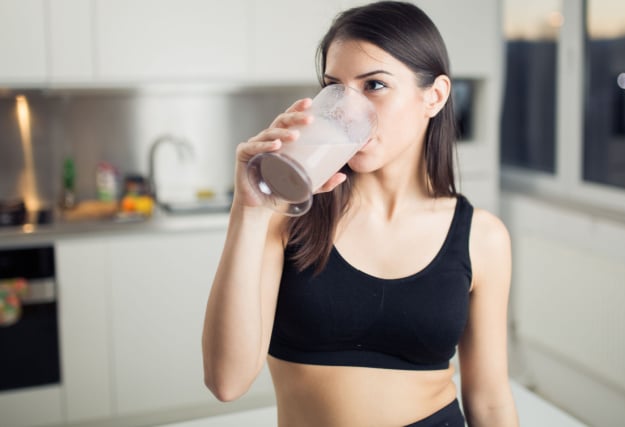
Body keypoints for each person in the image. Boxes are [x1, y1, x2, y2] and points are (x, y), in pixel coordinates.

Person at [202, 2, 519, 426]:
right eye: (336, 88)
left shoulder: (482, 237)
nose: (348, 110)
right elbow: (227, 382)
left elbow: (491, 401)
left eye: (374, 85)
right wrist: (249, 211)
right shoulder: (287, 217)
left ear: (435, 96)